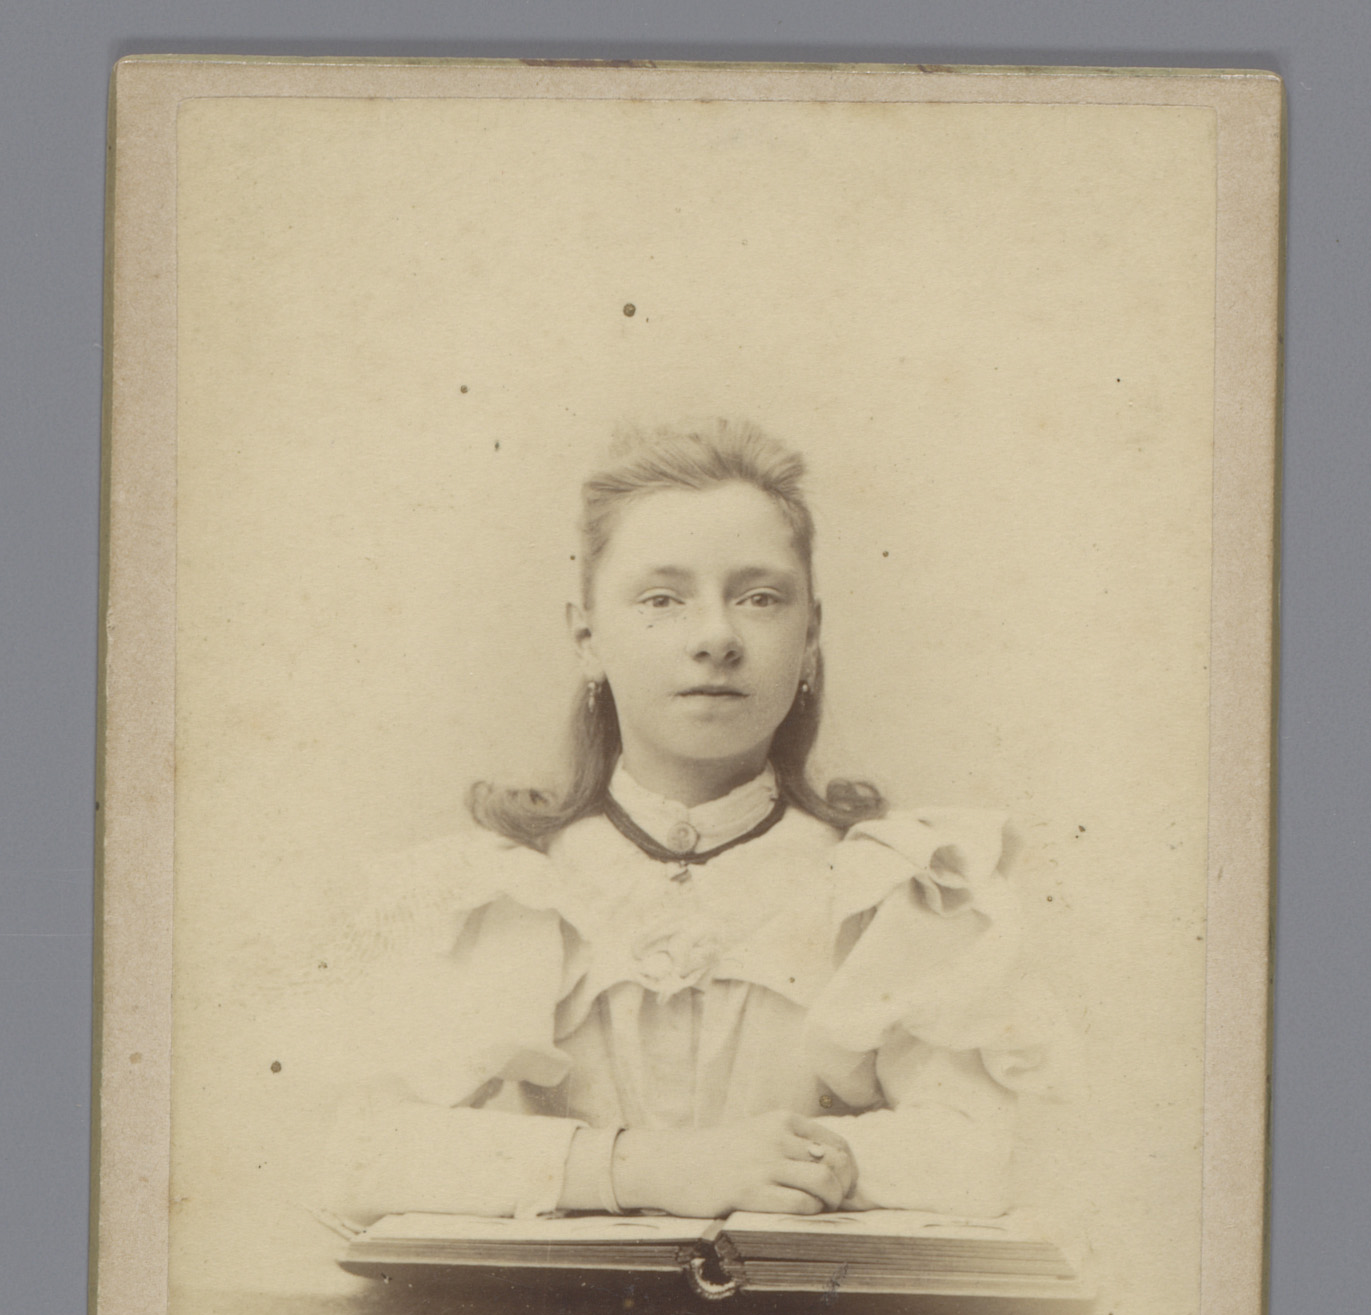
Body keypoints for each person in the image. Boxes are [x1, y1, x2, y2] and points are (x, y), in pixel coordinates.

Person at [326, 418, 1051, 1232]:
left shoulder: (891, 888)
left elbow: (977, 1149)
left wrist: (785, 1165)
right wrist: (651, 1167)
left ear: (810, 634)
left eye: (759, 598)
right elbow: (364, 1151)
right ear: (587, 636)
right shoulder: (509, 889)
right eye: (662, 599)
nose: (715, 637)